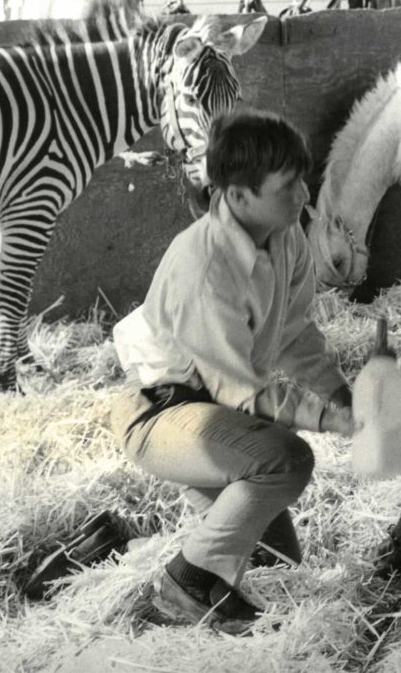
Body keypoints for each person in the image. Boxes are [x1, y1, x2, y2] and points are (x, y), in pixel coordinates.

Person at [110, 106, 354, 632]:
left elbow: (292, 332)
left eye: (303, 182)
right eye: (288, 187)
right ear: (239, 197)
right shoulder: (202, 264)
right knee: (287, 460)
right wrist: (329, 420)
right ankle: (184, 584)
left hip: (215, 416)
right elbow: (240, 391)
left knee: (277, 562)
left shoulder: (286, 237)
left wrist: (342, 394)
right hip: (162, 413)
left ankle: (123, 539)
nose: (305, 196)